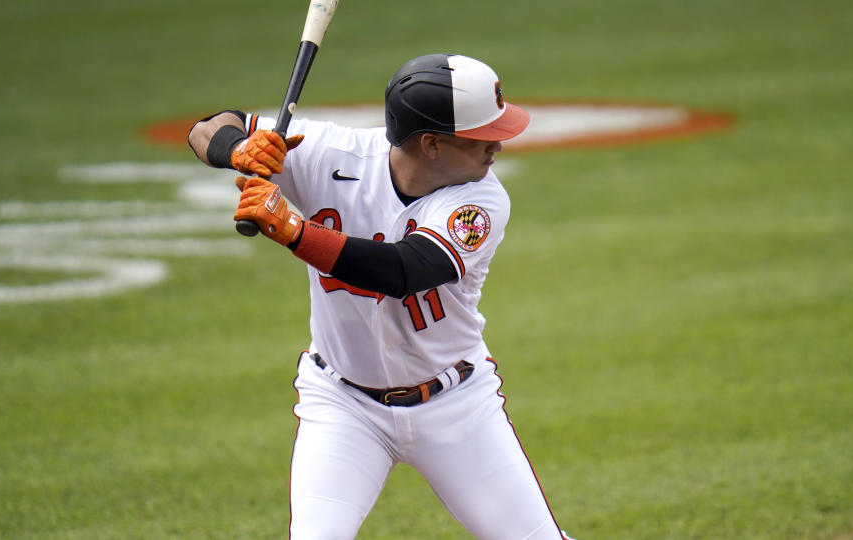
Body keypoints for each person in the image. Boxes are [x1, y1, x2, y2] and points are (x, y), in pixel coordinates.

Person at [188, 53, 573, 540]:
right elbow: (205, 128)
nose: (497, 144)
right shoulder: (332, 153)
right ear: (432, 143)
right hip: (342, 404)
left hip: (455, 406)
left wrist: (292, 230)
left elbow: (403, 270)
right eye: (483, 135)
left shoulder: (482, 200)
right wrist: (238, 148)